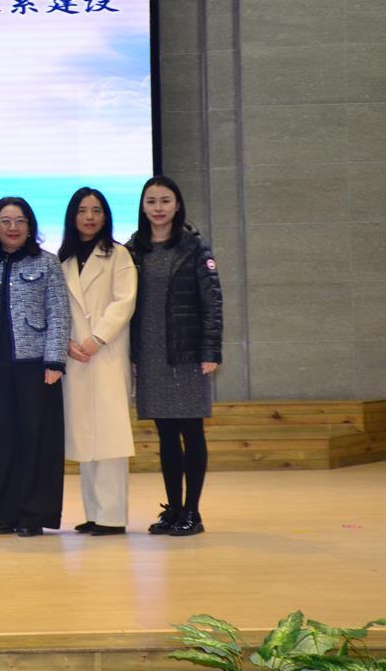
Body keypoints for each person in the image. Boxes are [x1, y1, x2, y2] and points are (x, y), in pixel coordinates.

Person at [127, 176, 223, 537]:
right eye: (151, 201)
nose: (158, 208)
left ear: (177, 205)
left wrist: (211, 350)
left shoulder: (195, 248)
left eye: (165, 201)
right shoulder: (133, 249)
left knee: (191, 432)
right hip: (150, 354)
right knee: (165, 435)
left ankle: (193, 512)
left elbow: (212, 302)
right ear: (143, 206)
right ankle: (174, 509)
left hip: (188, 354)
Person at [0, 196, 70, 537]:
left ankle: (33, 515)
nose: (12, 227)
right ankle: (2, 514)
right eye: (5, 221)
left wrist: (55, 360)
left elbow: (59, 312)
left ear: (30, 227)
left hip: (36, 367)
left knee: (37, 440)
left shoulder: (47, 263)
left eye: (19, 221)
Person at [57, 188, 137, 536]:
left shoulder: (119, 255)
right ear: (72, 217)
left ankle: (112, 516)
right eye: (82, 211)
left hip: (106, 354)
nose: (89, 217)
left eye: (96, 211)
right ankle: (94, 512)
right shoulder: (63, 260)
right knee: (86, 438)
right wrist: (67, 342)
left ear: (106, 217)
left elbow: (124, 303)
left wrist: (96, 339)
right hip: (75, 356)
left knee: (110, 439)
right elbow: (57, 308)